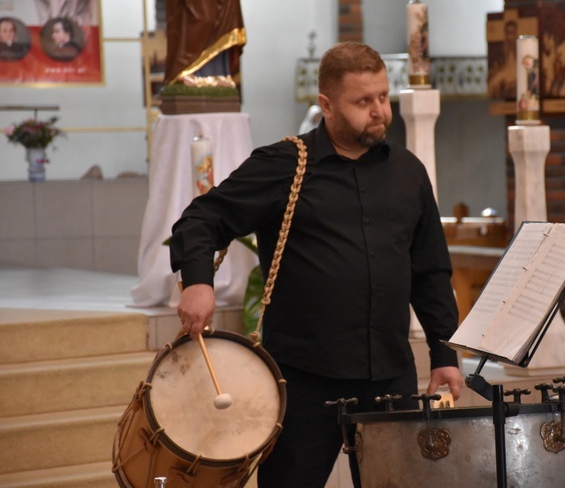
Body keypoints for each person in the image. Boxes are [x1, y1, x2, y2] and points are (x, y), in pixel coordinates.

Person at [170, 41, 463, 487]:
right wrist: (197, 282)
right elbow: (202, 218)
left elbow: (430, 270)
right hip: (304, 381)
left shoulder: (408, 172)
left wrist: (444, 353)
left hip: (391, 373)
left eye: (383, 97)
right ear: (326, 104)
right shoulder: (285, 165)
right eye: (362, 101)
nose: (379, 111)